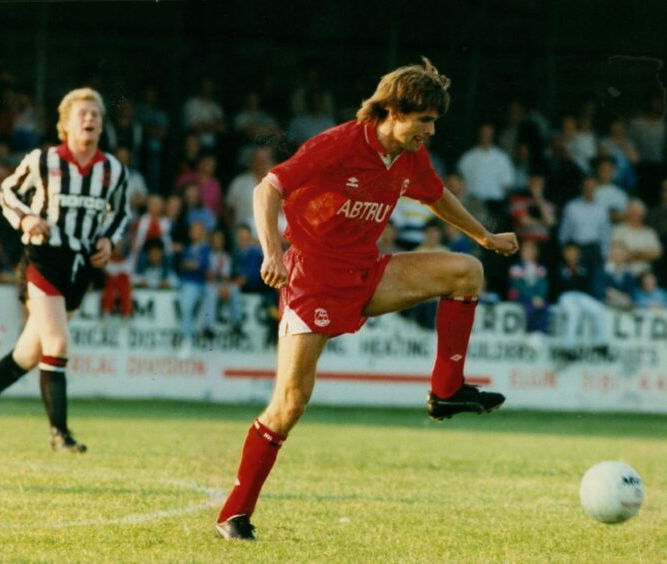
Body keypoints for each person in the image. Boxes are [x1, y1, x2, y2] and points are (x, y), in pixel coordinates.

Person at [215, 57, 518, 540]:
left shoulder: (408, 154)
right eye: (424, 121)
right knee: (290, 403)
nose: (430, 132)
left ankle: (445, 392)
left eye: (434, 122)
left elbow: (436, 195)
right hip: (312, 278)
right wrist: (271, 252)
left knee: (466, 272)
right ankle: (234, 514)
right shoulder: (339, 143)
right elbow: (266, 189)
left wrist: (483, 237)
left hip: (366, 273)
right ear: (393, 112)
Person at [0, 87, 129, 452]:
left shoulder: (113, 170)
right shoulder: (43, 160)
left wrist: (108, 241)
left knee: (29, 352)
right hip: (43, 258)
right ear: (64, 124)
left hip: (81, 266)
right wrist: (27, 218)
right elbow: (8, 192)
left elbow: (121, 213)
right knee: (58, 342)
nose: (90, 120)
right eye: (82, 114)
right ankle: (60, 434)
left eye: (96, 115)